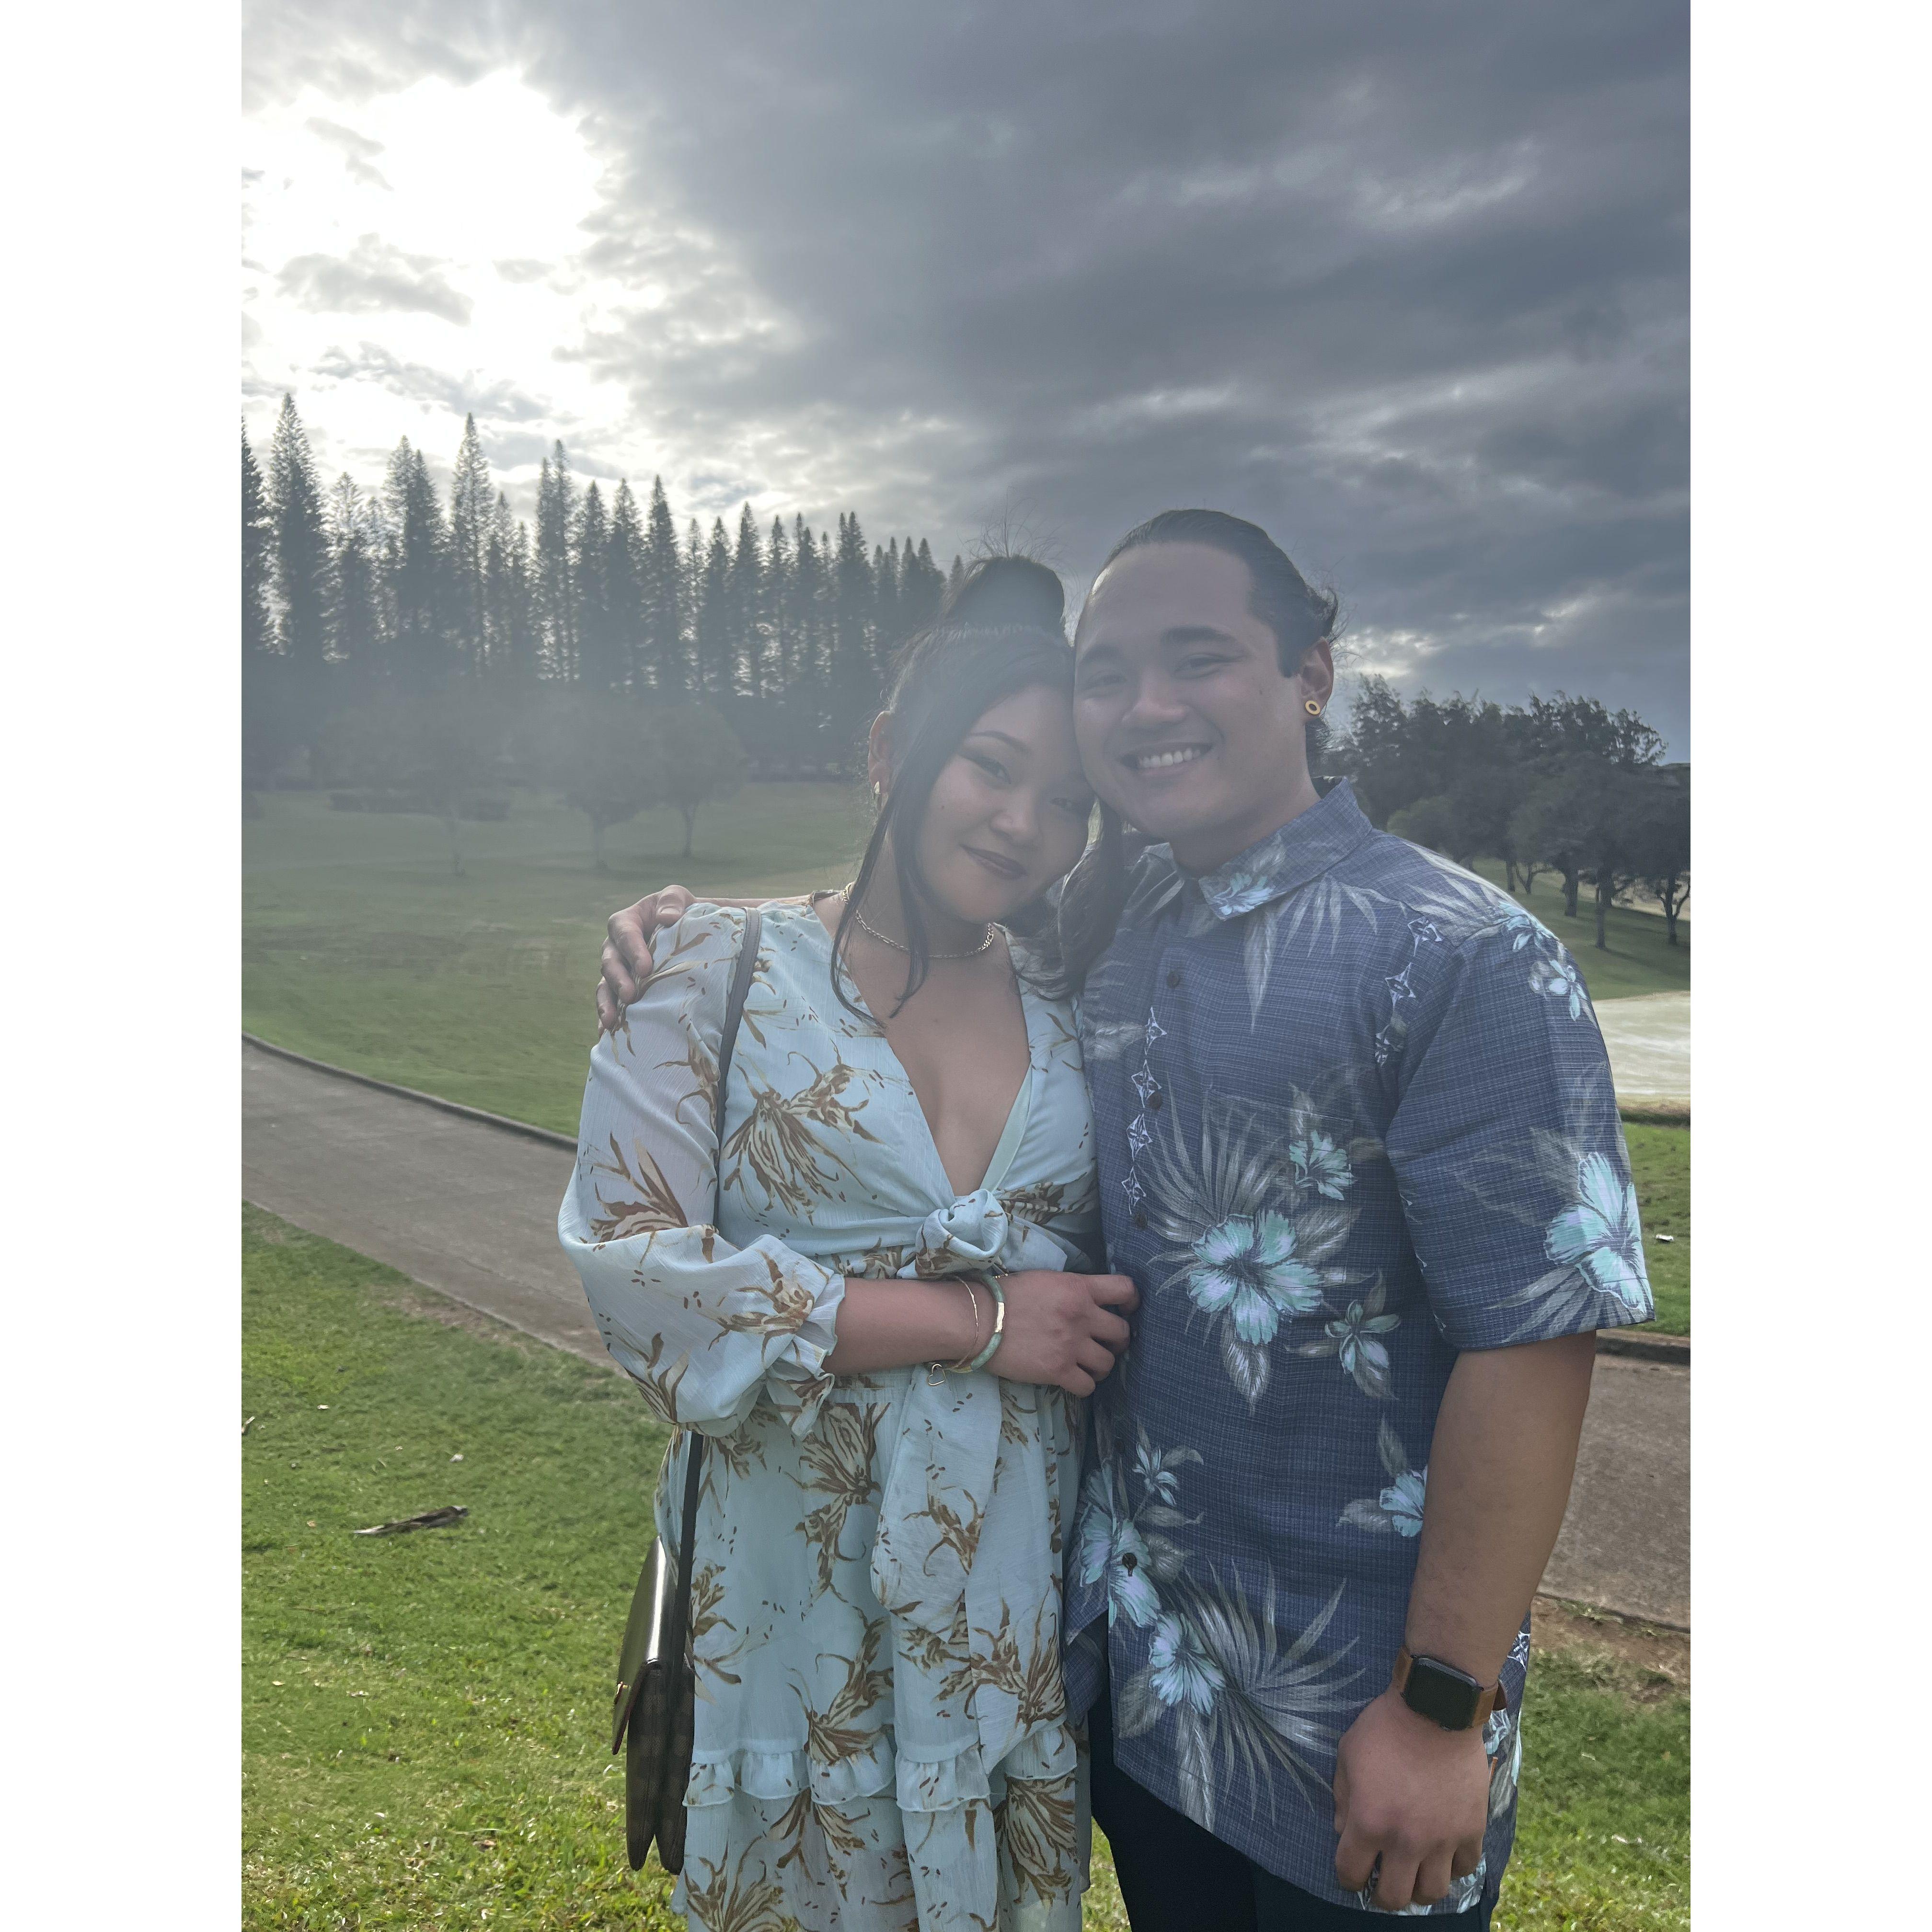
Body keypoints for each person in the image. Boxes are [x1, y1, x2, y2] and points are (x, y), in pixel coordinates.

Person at [597, 511, 1654, 1928]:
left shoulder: (1462, 953)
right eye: (1110, 674)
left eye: (1199, 658)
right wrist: (681, 935)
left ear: (1312, 672)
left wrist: (1443, 1708)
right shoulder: (1108, 930)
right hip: (1133, 1703)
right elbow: (884, 943)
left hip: (1357, 1722)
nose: (1148, 707)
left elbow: (1536, 1340)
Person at [560, 557, 1138, 1932]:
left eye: (1069, 800)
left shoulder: (1079, 998)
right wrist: (979, 1324)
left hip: (1002, 1591)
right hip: (788, 1588)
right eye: (991, 766)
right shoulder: (709, 969)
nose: (1025, 825)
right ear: (890, 754)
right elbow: (636, 1279)